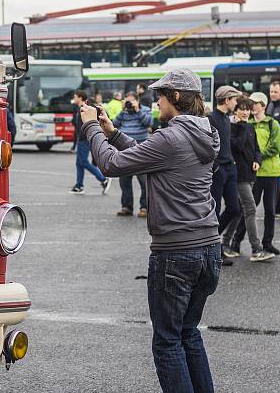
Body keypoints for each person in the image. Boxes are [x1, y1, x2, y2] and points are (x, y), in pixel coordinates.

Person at [80, 68, 221, 393]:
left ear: (174, 97)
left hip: (176, 253)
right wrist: (113, 133)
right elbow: (150, 155)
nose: (155, 102)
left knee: (167, 342)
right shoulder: (205, 132)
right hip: (209, 248)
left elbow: (111, 165)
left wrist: (90, 127)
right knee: (189, 332)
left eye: (159, 96)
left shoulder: (170, 137)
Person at [222, 98, 274, 262]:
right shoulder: (232, 127)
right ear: (234, 110)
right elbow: (236, 146)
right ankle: (256, 249)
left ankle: (225, 243)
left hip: (251, 175)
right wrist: (243, 127)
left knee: (238, 210)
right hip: (238, 175)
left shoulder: (249, 127)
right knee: (250, 208)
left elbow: (256, 149)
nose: (245, 112)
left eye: (247, 109)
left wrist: (257, 161)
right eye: (241, 109)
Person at [233, 92, 280, 256]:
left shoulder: (272, 123)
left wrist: (258, 157)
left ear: (262, 105)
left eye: (254, 103)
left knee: (270, 210)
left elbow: (275, 146)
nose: (251, 107)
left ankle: (267, 243)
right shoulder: (248, 123)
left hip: (271, 172)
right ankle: (236, 242)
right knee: (247, 209)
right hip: (253, 174)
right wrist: (253, 158)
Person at [207, 85, 242, 265]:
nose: (236, 103)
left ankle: (209, 241)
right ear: (227, 100)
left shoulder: (227, 119)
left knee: (234, 208)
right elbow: (206, 145)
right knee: (215, 208)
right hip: (219, 170)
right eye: (234, 100)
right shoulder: (211, 118)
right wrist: (216, 166)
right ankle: (215, 249)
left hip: (230, 168)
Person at [113, 91, 152, 217]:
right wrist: (123, 110)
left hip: (141, 149)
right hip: (124, 150)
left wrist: (138, 110)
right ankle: (126, 207)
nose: (129, 103)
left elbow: (149, 123)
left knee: (144, 181)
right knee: (124, 181)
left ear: (137, 101)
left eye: (131, 101)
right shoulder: (124, 112)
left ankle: (144, 207)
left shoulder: (145, 109)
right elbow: (114, 124)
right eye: (127, 101)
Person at [70, 90, 111, 195]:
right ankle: (79, 185)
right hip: (81, 138)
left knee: (83, 162)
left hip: (85, 139)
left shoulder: (88, 107)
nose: (74, 99)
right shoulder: (78, 108)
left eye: (75, 97)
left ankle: (103, 179)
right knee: (79, 163)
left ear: (80, 97)